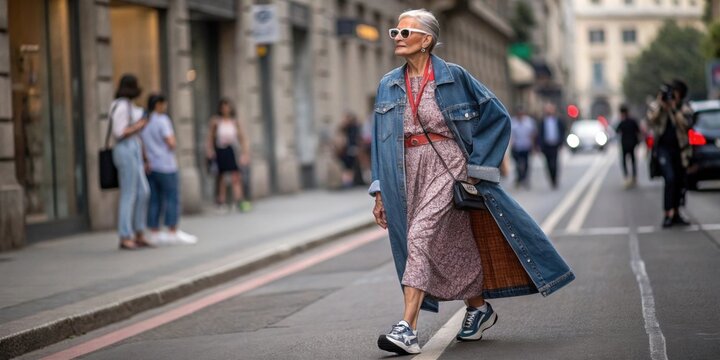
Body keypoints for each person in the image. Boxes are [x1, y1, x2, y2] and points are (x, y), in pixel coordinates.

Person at [370, 9, 575, 355]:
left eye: (406, 32)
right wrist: (379, 192)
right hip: (406, 173)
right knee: (453, 245)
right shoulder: (388, 84)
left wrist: (477, 168)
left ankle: (407, 329)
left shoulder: (455, 77)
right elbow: (379, 140)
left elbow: (497, 116)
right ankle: (479, 308)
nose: (398, 38)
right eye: (395, 32)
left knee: (418, 236)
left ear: (427, 41)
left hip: (448, 167)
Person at [140, 94, 197, 245]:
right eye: (164, 104)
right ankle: (172, 230)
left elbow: (141, 143)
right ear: (158, 104)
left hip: (151, 165)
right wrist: (173, 143)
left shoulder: (144, 121)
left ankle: (154, 231)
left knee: (154, 199)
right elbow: (171, 142)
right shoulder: (162, 120)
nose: (165, 107)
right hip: (166, 165)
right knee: (172, 197)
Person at [110, 74, 151, 250]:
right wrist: (139, 125)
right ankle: (125, 235)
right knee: (129, 193)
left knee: (143, 191)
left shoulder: (129, 106)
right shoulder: (120, 106)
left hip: (133, 148)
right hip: (124, 149)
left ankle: (139, 231)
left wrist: (144, 156)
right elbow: (119, 132)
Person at [646, 79, 692, 228]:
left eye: (675, 93)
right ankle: (668, 213)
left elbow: (686, 125)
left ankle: (677, 212)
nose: (673, 96)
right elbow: (651, 120)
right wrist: (662, 106)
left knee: (679, 181)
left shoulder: (683, 108)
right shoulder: (658, 106)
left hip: (681, 149)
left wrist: (673, 109)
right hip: (663, 149)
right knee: (670, 178)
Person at [205, 99, 252, 212]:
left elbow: (242, 138)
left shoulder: (234, 122)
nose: (226, 109)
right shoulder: (216, 122)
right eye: (224, 107)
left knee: (235, 175)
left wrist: (245, 153)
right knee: (221, 177)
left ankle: (239, 200)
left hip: (231, 150)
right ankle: (221, 201)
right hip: (220, 150)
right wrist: (209, 150)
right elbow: (210, 137)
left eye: (228, 107)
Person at [537, 103, 566, 189]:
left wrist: (561, 142)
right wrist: (539, 145)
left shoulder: (558, 120)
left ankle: (555, 179)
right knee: (548, 164)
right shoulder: (542, 121)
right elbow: (540, 134)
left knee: (554, 163)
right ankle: (551, 179)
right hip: (546, 146)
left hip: (555, 145)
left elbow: (562, 131)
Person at [510, 106, 537, 189]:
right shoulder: (513, 122)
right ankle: (519, 178)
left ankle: (525, 179)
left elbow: (533, 134)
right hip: (516, 146)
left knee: (526, 164)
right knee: (518, 164)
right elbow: (511, 135)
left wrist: (533, 146)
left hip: (526, 145)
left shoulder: (529, 122)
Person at [615, 104, 641, 189]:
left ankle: (626, 177)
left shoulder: (622, 122)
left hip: (625, 145)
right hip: (632, 144)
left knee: (624, 161)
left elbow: (617, 130)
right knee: (633, 160)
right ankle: (633, 177)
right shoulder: (633, 121)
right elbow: (638, 131)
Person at [337, 112, 362, 188]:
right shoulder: (344, 128)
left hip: (351, 148)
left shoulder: (354, 127)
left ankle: (349, 182)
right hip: (344, 150)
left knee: (350, 165)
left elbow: (356, 138)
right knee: (346, 166)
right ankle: (347, 182)